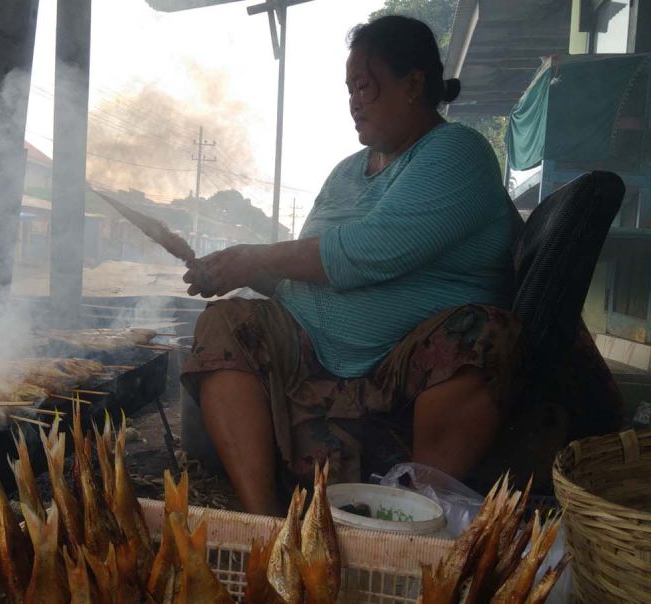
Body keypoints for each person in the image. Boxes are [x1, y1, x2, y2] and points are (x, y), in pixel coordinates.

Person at [180, 16, 618, 515]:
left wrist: (248, 257)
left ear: (413, 85)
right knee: (224, 325)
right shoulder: (346, 171)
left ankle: (412, 517)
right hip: (310, 350)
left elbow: (367, 251)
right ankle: (262, 522)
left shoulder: (458, 153)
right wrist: (234, 271)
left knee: (480, 335)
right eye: (349, 89)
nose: (354, 101)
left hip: (404, 364)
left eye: (365, 86)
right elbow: (300, 273)